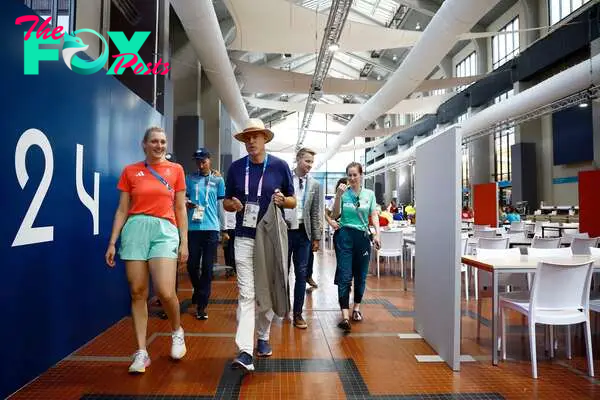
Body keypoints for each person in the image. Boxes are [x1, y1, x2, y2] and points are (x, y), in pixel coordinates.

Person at [105, 126, 188, 374]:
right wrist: (112, 241)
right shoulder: (130, 171)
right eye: (154, 141)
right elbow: (122, 209)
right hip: (135, 230)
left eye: (162, 142)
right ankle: (141, 352)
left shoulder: (176, 170)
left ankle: (177, 331)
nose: (159, 145)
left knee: (164, 290)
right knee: (138, 292)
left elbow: (181, 208)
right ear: (144, 144)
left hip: (164, 231)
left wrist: (184, 241)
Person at [223, 118, 296, 371]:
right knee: (247, 293)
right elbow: (226, 201)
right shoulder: (235, 169)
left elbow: (293, 201)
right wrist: (231, 205)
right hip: (243, 236)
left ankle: (263, 337)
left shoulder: (279, 166)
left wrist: (282, 200)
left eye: (256, 136)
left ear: (265, 138)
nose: (251, 141)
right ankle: (244, 350)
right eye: (247, 137)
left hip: (269, 237)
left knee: (266, 289)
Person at [331, 162, 381, 332]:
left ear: (361, 175)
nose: (352, 178)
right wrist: (338, 196)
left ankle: (357, 308)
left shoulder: (369, 194)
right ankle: (345, 316)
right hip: (345, 236)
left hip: (362, 237)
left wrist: (377, 234)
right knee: (345, 275)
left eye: (355, 174)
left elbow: (373, 215)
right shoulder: (343, 194)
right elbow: (335, 215)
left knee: (361, 276)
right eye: (349, 175)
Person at [284, 147, 323, 329]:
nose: (309, 165)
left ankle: (298, 313)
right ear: (298, 159)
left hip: (304, 233)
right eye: (307, 161)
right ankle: (283, 307)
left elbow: (316, 213)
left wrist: (316, 237)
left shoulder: (315, 185)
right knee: (283, 272)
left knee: (301, 273)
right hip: (285, 231)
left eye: (311, 162)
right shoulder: (285, 179)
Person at [185, 148, 225, 320]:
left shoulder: (218, 179)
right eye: (198, 161)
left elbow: (221, 206)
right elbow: (182, 198)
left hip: (211, 228)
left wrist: (224, 229)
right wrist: (186, 202)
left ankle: (202, 305)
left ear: (210, 160)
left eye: (204, 161)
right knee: (191, 266)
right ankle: (199, 290)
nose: (201, 164)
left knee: (207, 268)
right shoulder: (189, 178)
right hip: (193, 228)